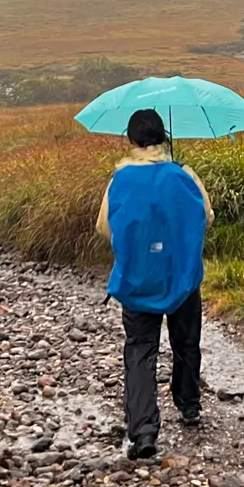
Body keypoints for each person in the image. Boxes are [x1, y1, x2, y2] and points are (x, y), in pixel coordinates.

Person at [96, 107, 214, 459]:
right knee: (186, 342)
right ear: (164, 136)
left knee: (139, 351)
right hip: (182, 275)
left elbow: (105, 227)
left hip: (136, 279)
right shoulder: (184, 175)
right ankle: (189, 405)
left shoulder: (119, 179)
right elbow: (205, 217)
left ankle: (144, 432)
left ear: (131, 139)